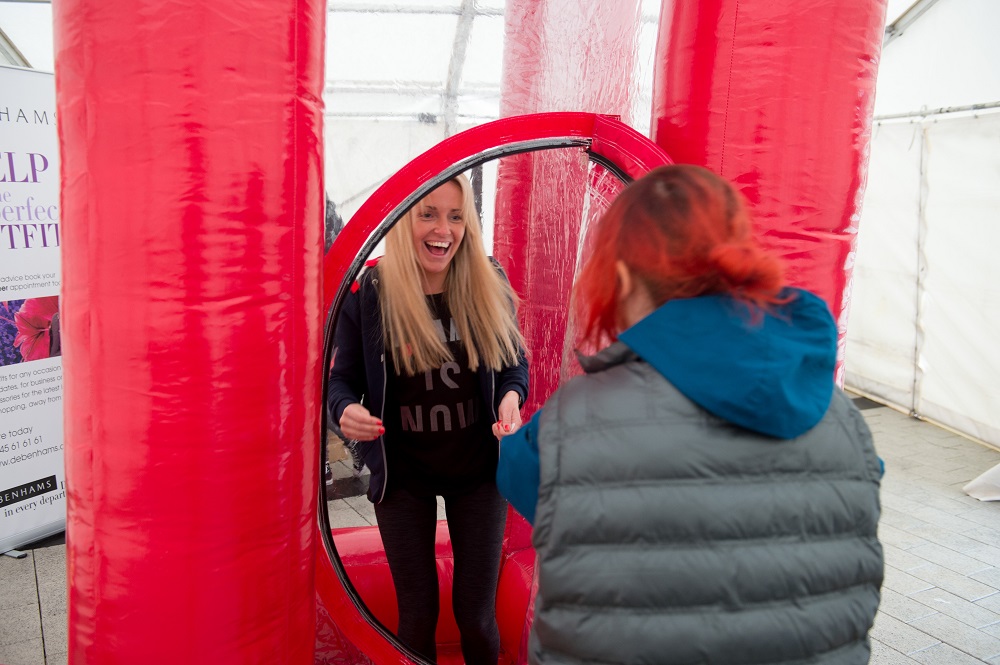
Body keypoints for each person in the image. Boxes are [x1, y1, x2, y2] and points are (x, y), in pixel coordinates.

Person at [496, 165, 883, 664]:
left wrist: (510, 440)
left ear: (622, 278)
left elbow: (523, 477)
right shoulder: (844, 420)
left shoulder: (575, 420)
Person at [328, 173, 529, 664]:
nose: (444, 229)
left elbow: (513, 365)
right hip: (403, 478)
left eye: (456, 217)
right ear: (404, 220)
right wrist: (345, 411)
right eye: (429, 214)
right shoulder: (371, 291)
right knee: (416, 614)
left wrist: (511, 399)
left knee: (475, 615)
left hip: (478, 474)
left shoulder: (487, 278)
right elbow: (340, 381)